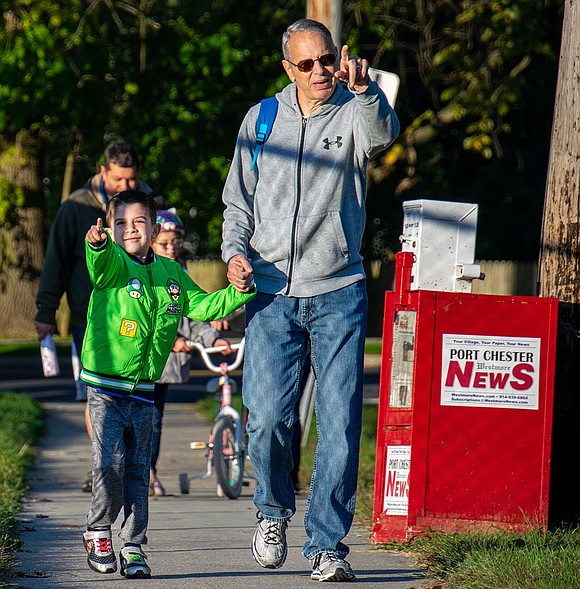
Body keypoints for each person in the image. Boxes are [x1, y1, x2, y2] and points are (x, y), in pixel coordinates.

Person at [221, 18, 399, 582]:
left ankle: (327, 545)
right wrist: (234, 254)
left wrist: (366, 89)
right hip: (271, 295)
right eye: (308, 64)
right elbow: (237, 203)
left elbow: (383, 134)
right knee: (269, 419)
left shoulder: (354, 108)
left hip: (339, 290)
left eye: (327, 59)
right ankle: (273, 512)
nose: (320, 71)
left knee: (340, 425)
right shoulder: (261, 119)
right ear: (287, 68)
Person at [81, 190, 254, 579]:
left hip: (144, 388)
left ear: (154, 229)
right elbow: (99, 264)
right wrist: (96, 245)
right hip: (105, 385)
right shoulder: (112, 264)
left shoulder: (171, 274)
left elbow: (204, 307)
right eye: (120, 223)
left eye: (139, 223)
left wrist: (239, 292)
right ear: (110, 228)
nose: (130, 230)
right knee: (109, 463)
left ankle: (132, 544)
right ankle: (97, 530)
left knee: (139, 470)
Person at [33, 142, 163, 491]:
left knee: (136, 399)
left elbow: (163, 250)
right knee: (98, 394)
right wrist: (46, 311)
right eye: (119, 179)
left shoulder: (147, 201)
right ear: (103, 171)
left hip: (139, 316)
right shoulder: (75, 207)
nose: (126, 187)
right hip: (90, 319)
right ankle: (105, 465)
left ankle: (135, 467)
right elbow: (55, 263)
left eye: (132, 179)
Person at [149, 209, 232, 496]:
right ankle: (130, 473)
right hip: (141, 362)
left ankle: (149, 473)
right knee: (135, 421)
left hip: (163, 367)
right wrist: (172, 341)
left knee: (154, 421)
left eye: (176, 241)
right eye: (164, 243)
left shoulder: (179, 273)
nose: (171, 247)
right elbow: (147, 314)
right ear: (150, 242)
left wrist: (214, 338)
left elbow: (193, 315)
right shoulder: (147, 270)